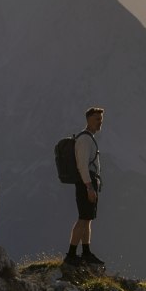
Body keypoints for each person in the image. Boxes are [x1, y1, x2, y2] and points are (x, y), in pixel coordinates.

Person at [65, 107, 105, 267]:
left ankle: (86, 252)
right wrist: (89, 187)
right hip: (85, 183)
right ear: (88, 119)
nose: (100, 122)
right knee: (83, 219)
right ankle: (72, 254)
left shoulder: (89, 138)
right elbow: (82, 165)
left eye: (101, 119)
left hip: (89, 182)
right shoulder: (85, 140)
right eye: (96, 119)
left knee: (87, 219)